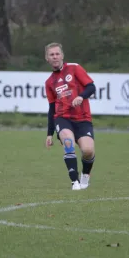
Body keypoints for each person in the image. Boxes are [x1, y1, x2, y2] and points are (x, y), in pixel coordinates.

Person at [45, 42, 96, 190]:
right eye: (51, 55)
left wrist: (81, 96)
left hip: (83, 118)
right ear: (47, 58)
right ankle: (74, 182)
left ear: (62, 55)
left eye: (57, 54)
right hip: (62, 118)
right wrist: (49, 133)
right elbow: (52, 108)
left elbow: (91, 87)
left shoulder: (74, 68)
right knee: (68, 143)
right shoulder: (49, 82)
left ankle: (85, 175)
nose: (55, 57)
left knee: (87, 151)